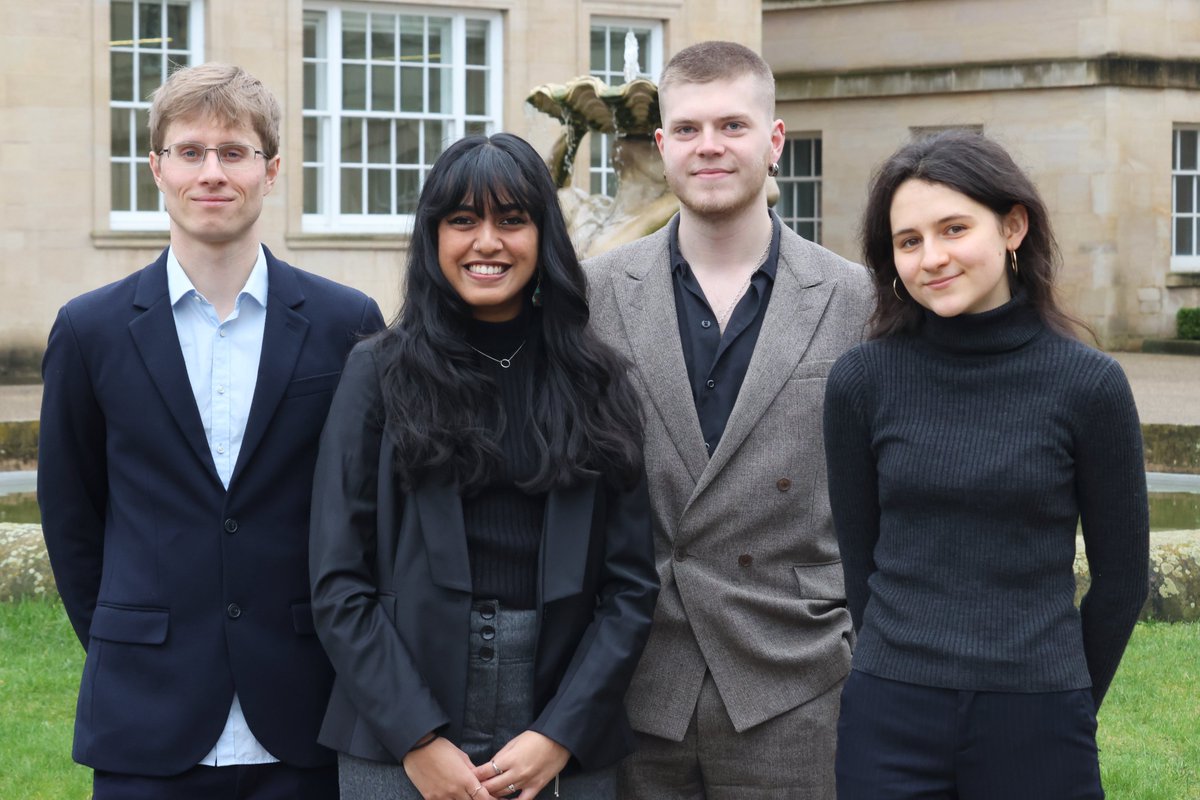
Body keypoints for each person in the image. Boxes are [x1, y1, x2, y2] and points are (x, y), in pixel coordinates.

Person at [36, 63, 385, 799]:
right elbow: (72, 516)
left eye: (235, 152)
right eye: (190, 152)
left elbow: (371, 511)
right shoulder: (89, 330)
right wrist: (127, 635)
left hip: (304, 714)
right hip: (146, 715)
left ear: (272, 169)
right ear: (156, 168)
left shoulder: (344, 323)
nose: (212, 172)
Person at [308, 132, 659, 800]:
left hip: (560, 713)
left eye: (511, 219)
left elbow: (630, 588)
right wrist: (415, 737)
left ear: (543, 235)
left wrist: (559, 734)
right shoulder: (378, 375)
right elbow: (338, 580)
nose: (487, 242)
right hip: (400, 713)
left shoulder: (596, 381)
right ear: (434, 237)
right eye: (463, 221)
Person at [585, 41, 874, 798]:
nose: (709, 145)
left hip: (797, 676)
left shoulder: (858, 301)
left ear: (773, 140)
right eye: (687, 130)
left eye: (732, 126)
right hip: (637, 677)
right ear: (662, 146)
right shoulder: (593, 293)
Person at [823, 129, 1150, 799]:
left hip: (1038, 717)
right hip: (889, 717)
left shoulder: (1089, 385)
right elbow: (860, 566)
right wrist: (896, 668)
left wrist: (1061, 699)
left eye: (953, 229)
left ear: (1013, 226)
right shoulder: (861, 381)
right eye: (909, 241)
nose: (931, 258)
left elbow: (1122, 582)